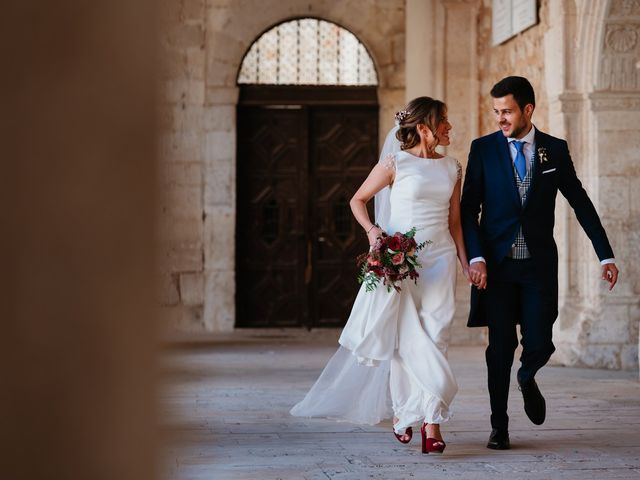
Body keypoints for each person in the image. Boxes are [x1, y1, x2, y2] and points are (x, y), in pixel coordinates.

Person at [291, 97, 476, 454]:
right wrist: (374, 233)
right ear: (423, 128)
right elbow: (357, 200)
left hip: (440, 259)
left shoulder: (453, 167)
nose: (449, 127)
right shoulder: (396, 163)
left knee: (437, 332)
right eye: (443, 122)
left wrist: (466, 262)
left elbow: (454, 222)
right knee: (407, 339)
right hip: (402, 260)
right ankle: (410, 416)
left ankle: (430, 420)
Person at [461, 76, 619, 450]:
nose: (500, 118)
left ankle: (528, 375)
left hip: (537, 267)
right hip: (497, 269)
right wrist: (477, 256)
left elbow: (580, 202)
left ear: (528, 110)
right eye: (496, 111)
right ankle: (499, 426)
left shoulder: (554, 150)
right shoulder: (482, 149)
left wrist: (605, 253)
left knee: (540, 341)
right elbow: (468, 210)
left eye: (507, 111)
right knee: (499, 349)